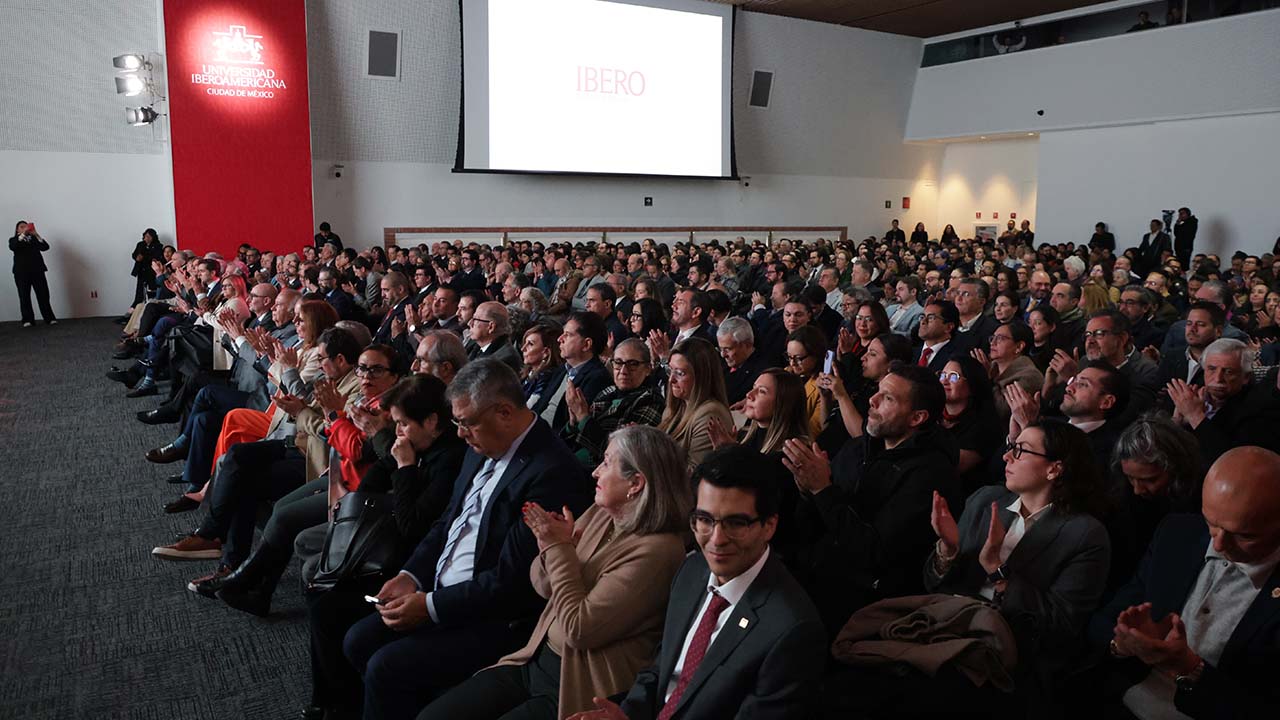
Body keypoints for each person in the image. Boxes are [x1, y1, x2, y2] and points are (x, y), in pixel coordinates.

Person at [338, 360, 593, 720]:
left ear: (504, 413)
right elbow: (448, 523)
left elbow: (510, 583)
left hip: (492, 618)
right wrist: (411, 575)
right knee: (357, 640)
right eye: (456, 422)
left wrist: (429, 605)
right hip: (441, 590)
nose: (459, 434)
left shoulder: (551, 472)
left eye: (466, 422)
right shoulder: (482, 447)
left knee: (386, 667)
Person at [417, 426, 691, 720]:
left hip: (577, 684)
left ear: (635, 483)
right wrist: (553, 548)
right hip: (535, 657)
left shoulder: (658, 551)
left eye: (606, 463)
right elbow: (541, 583)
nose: (595, 472)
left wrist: (558, 549)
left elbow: (579, 630)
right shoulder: (603, 514)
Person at [565, 445, 826, 720]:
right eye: (704, 520)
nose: (716, 539)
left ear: (769, 526)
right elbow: (661, 670)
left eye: (736, 523)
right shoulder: (691, 570)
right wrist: (626, 714)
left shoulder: (792, 630)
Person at [924, 420, 1110, 713]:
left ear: (1054, 469)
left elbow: (1060, 626)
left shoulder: (1085, 534)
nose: (1006, 456)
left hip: (1009, 653)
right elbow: (933, 583)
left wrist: (997, 571)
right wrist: (947, 550)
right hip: (947, 624)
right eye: (1011, 447)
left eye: (1021, 450)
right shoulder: (986, 499)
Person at [1088, 446, 1280, 720]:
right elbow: (1103, 621)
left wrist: (1190, 669)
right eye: (1211, 522)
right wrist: (1124, 643)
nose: (1218, 544)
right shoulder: (1178, 533)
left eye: (1244, 535)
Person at [780, 363, 960, 634]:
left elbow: (873, 554)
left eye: (888, 398)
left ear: (917, 418)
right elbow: (814, 526)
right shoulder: (857, 448)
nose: (871, 401)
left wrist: (822, 491)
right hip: (813, 574)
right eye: (877, 391)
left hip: (865, 608)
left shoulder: (931, 475)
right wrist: (807, 490)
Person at [1106, 413, 1204, 590]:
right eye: (1131, 478)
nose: (1137, 490)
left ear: (1176, 468)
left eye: (1150, 480)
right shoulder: (1121, 501)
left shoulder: (1200, 503)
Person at [560, 339, 665, 466]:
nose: (623, 371)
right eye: (618, 363)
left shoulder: (651, 401)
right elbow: (568, 441)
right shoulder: (606, 392)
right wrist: (573, 423)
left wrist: (583, 417)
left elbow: (617, 455)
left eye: (633, 364)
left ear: (648, 369)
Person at [658, 338, 735, 474]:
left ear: (701, 377)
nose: (671, 380)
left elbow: (695, 474)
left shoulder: (710, 414)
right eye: (670, 370)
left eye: (680, 373)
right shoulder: (677, 407)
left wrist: (648, 455)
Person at [938, 356, 1003, 495]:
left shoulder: (985, 426)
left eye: (953, 376)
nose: (944, 381)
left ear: (972, 384)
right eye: (942, 375)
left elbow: (950, 467)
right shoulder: (932, 415)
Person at [9, 220, 57, 327]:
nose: (25, 228)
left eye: (26, 226)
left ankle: (49, 318)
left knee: (43, 295)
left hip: (37, 271)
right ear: (17, 230)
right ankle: (28, 320)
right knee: (24, 296)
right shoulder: (13, 240)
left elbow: (45, 247)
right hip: (21, 273)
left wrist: (36, 234)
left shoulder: (34, 239)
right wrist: (23, 234)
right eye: (22, 227)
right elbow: (13, 247)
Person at [785, 325, 829, 439]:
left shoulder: (824, 386)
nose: (792, 363)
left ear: (816, 355)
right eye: (789, 357)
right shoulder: (786, 373)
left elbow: (814, 430)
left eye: (798, 358)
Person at [716, 317, 768, 407]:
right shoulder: (720, 364)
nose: (723, 355)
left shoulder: (762, 373)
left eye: (727, 349)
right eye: (721, 349)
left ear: (747, 345)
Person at [130, 227, 165, 306]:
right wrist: (136, 257)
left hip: (151, 270)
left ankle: (151, 303)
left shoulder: (158, 246)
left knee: (152, 288)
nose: (147, 238)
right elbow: (134, 254)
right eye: (145, 236)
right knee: (140, 288)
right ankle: (137, 303)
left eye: (149, 236)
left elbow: (156, 257)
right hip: (141, 270)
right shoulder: (140, 244)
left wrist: (144, 257)